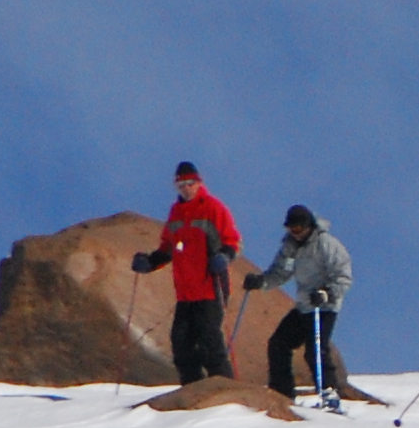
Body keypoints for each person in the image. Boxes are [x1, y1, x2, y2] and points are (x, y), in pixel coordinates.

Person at [130, 162, 240, 384]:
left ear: (199, 182)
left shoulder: (213, 208)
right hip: (185, 292)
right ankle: (193, 389)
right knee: (181, 344)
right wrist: (149, 263)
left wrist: (224, 256)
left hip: (211, 287)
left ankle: (225, 390)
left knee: (209, 340)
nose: (186, 188)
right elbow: (167, 249)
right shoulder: (176, 213)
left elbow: (232, 240)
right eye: (181, 185)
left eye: (190, 183)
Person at [246, 204, 355, 408]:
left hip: (325, 306)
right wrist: (261, 282)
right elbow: (280, 272)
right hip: (305, 305)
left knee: (315, 349)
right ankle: (282, 394)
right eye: (291, 229)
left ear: (309, 226)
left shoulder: (326, 244)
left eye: (299, 229)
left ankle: (329, 394)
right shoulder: (290, 246)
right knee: (279, 343)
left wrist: (326, 293)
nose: (295, 233)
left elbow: (343, 276)